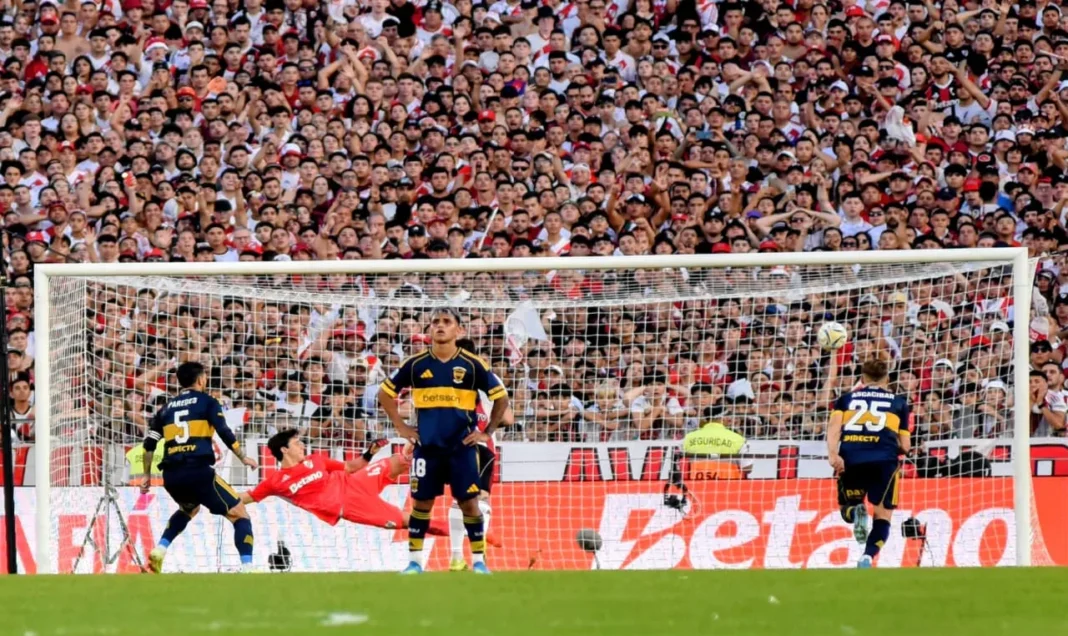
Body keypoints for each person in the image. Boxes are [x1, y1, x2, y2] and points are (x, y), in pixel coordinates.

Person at [378, 307, 509, 574]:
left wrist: (487, 433)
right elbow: (384, 393)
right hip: (427, 448)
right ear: (429, 330)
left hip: (462, 447)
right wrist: (401, 427)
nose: (440, 326)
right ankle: (414, 562)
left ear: (458, 330)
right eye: (435, 322)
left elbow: (502, 398)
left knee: (469, 502)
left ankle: (479, 562)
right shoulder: (415, 365)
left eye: (447, 322)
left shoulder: (473, 365)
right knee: (421, 504)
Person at [141, 361, 259, 573]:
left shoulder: (165, 408)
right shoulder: (208, 401)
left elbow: (149, 444)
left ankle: (160, 549)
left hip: (171, 475)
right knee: (240, 514)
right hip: (197, 470)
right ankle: (248, 567)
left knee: (189, 508)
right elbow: (223, 430)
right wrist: (243, 457)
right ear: (201, 379)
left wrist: (146, 476)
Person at [240, 430, 451, 538]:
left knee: (397, 461)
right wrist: (212, 495)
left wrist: (370, 453)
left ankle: (447, 466)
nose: (302, 445)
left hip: (355, 482)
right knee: (410, 521)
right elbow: (245, 498)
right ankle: (466, 531)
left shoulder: (316, 459)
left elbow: (351, 467)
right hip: (348, 505)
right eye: (296, 443)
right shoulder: (274, 481)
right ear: (284, 450)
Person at [826, 357, 912, 569]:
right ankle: (867, 557)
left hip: (852, 459)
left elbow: (834, 428)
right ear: (887, 379)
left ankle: (856, 513)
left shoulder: (845, 400)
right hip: (884, 462)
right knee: (883, 515)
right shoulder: (900, 403)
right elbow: (906, 446)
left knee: (847, 507)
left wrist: (832, 455)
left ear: (862, 378)